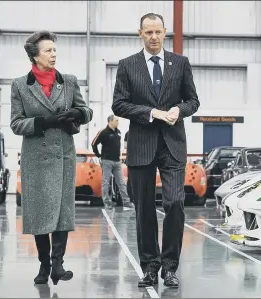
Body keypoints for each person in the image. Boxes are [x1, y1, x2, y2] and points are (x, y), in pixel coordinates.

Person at [111, 13, 200, 288]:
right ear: (140, 33)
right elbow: (119, 105)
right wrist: (152, 113)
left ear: (165, 33)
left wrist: (178, 110)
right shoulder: (127, 65)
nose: (153, 37)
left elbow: (193, 101)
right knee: (144, 209)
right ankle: (150, 267)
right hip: (141, 146)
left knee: (174, 203)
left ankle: (170, 267)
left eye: (158, 32)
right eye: (148, 32)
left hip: (173, 145)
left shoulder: (180, 63)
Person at [9, 31, 93, 285]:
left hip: (62, 156)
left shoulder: (68, 81)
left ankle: (58, 265)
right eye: (48, 50)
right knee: (39, 214)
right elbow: (15, 124)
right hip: (35, 158)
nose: (53, 54)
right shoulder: (20, 85)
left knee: (61, 212)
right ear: (34, 56)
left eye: (55, 50)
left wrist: (78, 113)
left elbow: (87, 111)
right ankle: (44, 265)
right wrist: (44, 122)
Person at [91, 115, 134, 210]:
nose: (118, 122)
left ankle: (126, 202)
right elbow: (94, 144)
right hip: (106, 161)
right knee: (106, 182)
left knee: (122, 182)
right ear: (110, 121)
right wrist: (99, 155)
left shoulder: (118, 132)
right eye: (116, 120)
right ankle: (107, 203)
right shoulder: (103, 132)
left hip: (117, 162)